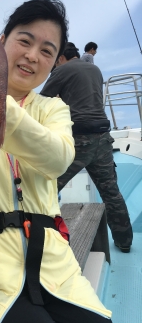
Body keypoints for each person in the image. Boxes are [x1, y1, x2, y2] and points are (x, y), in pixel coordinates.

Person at [0, 0, 141, 323]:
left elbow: (57, 158)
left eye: (46, 50)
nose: (33, 55)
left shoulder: (53, 110)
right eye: (25, 40)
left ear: (55, 63)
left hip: (56, 268)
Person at [41, 45, 133, 253]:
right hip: (103, 139)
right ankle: (124, 241)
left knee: (47, 188)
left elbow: (42, 101)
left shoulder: (61, 70)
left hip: (78, 140)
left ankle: (42, 243)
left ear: (61, 58)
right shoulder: (95, 69)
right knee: (111, 192)